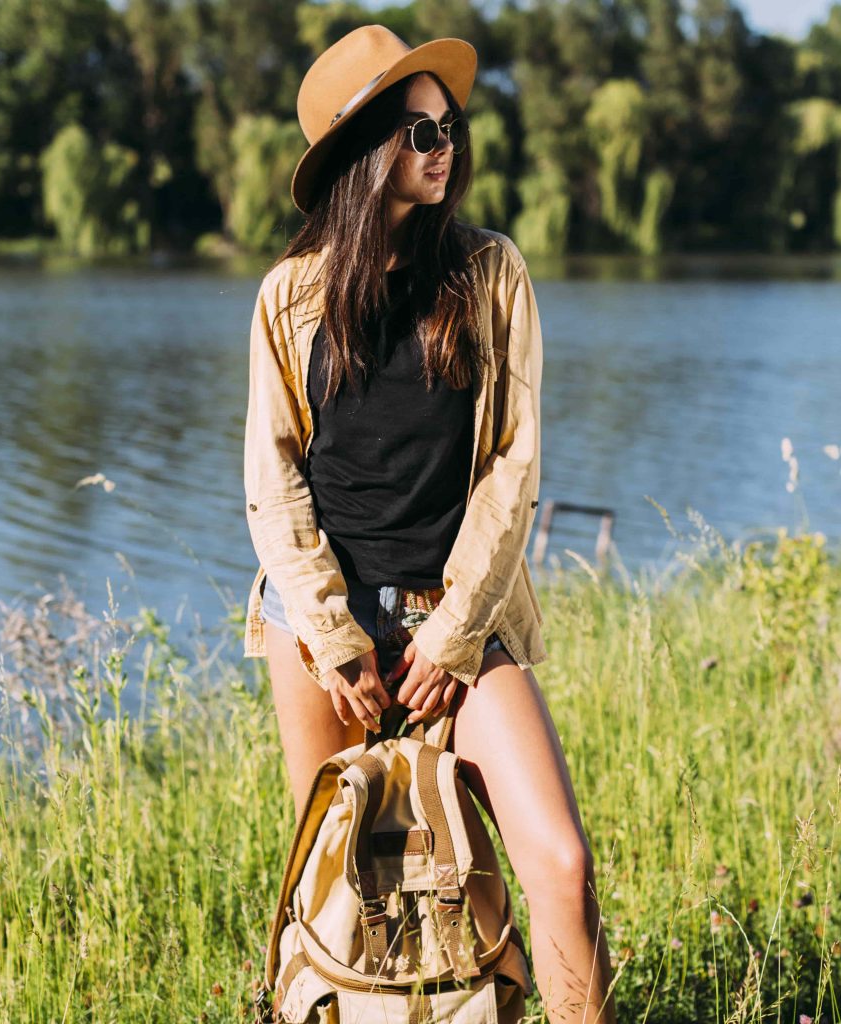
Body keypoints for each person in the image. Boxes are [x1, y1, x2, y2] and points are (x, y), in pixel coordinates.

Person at [241, 24, 618, 1024]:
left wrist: (451, 636)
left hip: (456, 617)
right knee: (340, 891)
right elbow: (271, 477)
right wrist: (331, 634)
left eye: (446, 126)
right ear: (365, 151)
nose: (439, 147)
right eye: (414, 132)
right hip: (321, 632)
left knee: (557, 863)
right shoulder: (291, 297)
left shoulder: (490, 274)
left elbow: (512, 464)